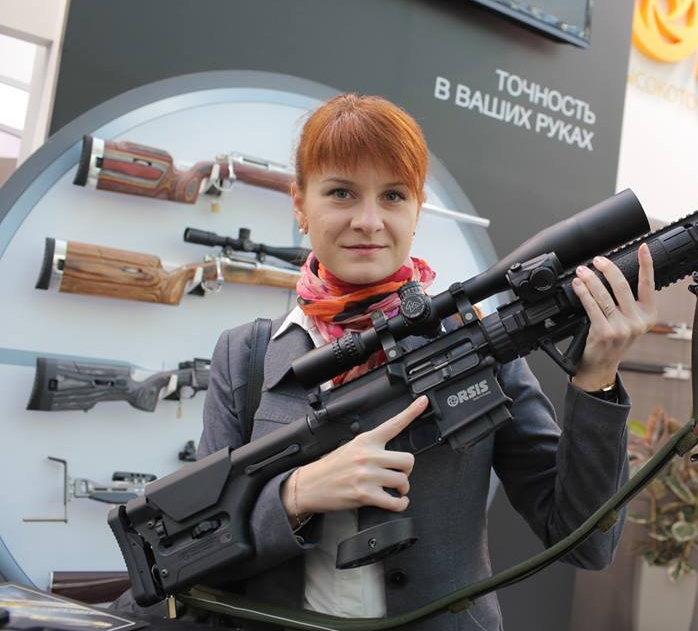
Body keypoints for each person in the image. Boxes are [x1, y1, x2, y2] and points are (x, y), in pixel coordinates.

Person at [196, 94, 658, 629]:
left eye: (393, 196)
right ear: (300, 203)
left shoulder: (478, 345)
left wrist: (597, 378)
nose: (368, 221)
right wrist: (297, 496)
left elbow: (585, 541)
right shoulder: (247, 356)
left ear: (417, 210)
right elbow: (199, 546)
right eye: (341, 192)